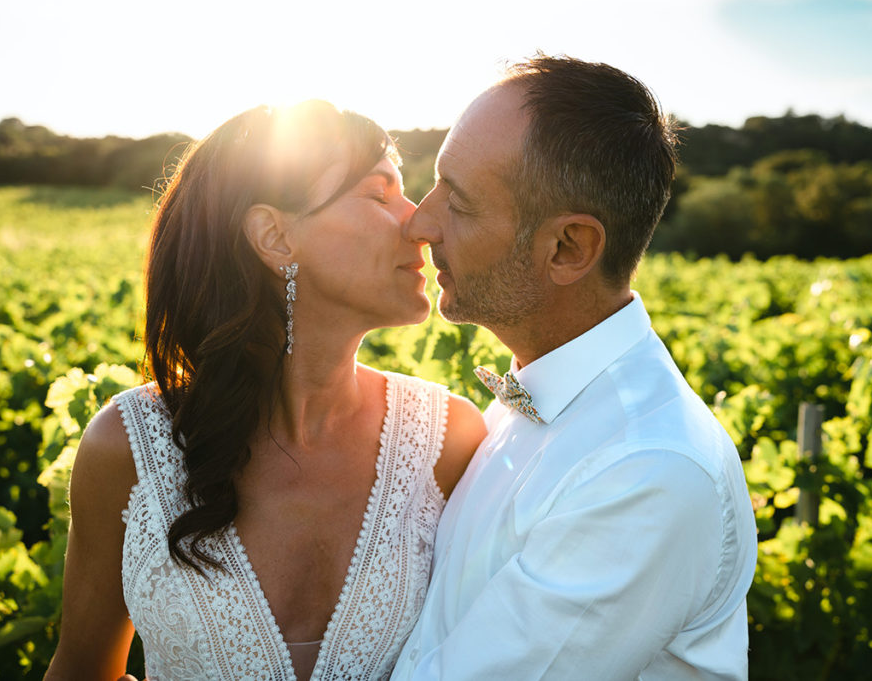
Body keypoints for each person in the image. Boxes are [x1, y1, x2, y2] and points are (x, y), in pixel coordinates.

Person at [43, 101, 486, 681]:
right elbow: (81, 670)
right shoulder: (128, 449)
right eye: (380, 195)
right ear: (275, 237)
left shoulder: (449, 441)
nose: (420, 224)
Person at [390, 56, 758, 680]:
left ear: (569, 248)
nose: (420, 223)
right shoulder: (539, 396)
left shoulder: (646, 471)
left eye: (461, 202)